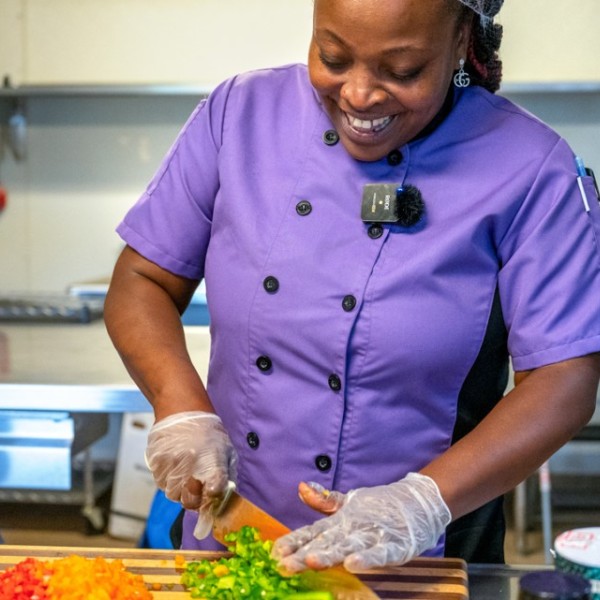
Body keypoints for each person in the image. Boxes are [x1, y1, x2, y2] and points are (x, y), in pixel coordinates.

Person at [104, 0, 600, 570]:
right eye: (332, 56)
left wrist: (418, 503)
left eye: (403, 70)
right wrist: (181, 408)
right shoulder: (238, 116)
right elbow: (142, 278)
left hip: (418, 562)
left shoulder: (534, 169)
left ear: (464, 37)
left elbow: (565, 377)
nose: (359, 95)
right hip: (229, 542)